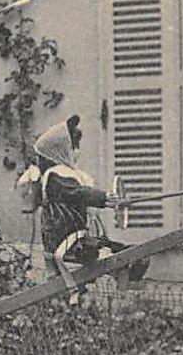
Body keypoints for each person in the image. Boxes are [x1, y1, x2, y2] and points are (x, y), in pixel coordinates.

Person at [26, 113, 143, 284]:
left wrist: (110, 200)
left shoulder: (66, 174)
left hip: (78, 238)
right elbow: (78, 193)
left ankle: (128, 281)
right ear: (60, 150)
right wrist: (106, 198)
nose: (77, 151)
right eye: (74, 146)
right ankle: (125, 283)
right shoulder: (56, 177)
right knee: (121, 255)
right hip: (66, 242)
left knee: (131, 252)